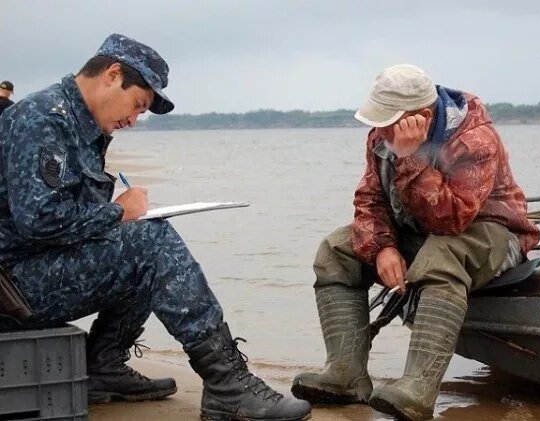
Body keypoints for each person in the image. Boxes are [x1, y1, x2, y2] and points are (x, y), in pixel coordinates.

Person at [0, 33, 311, 421]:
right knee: (151, 242)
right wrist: (119, 213)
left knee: (145, 238)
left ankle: (104, 366)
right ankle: (227, 384)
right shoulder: (45, 119)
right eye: (137, 105)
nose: (133, 120)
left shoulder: (80, 123)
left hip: (24, 277)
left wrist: (124, 217)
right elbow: (39, 220)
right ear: (113, 75)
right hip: (11, 292)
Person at [291, 64, 540, 420]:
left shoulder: (476, 140)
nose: (380, 131)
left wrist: (411, 157)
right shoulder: (382, 135)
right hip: (424, 230)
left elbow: (453, 220)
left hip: (493, 232)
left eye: (388, 122)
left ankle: (418, 389)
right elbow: (369, 198)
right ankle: (346, 375)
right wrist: (383, 247)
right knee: (337, 249)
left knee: (442, 254)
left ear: (421, 117)